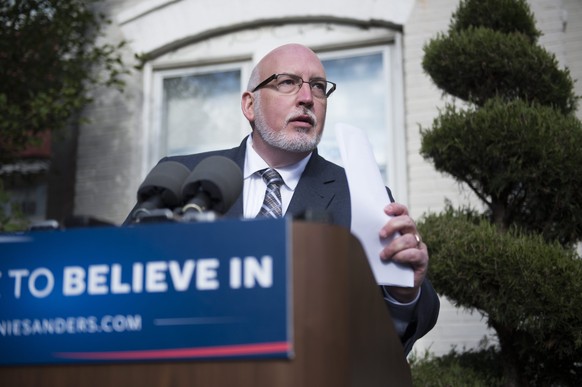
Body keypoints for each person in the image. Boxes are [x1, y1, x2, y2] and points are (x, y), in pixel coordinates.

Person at [137, 43, 439, 355]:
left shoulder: (360, 195)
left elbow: (398, 332)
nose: (307, 98)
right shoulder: (181, 176)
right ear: (249, 105)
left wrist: (402, 295)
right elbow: (122, 279)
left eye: (319, 87)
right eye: (287, 82)